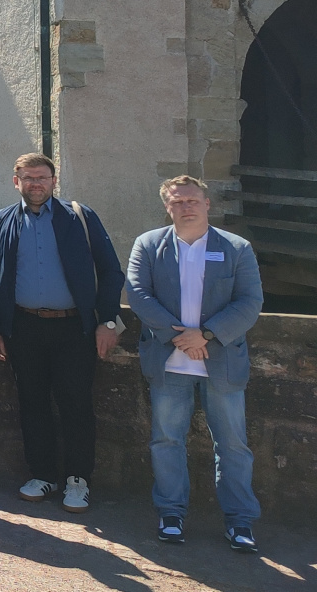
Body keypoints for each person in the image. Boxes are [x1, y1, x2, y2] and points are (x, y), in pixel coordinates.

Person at [0, 152, 124, 514]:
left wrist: (107, 321)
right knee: (32, 402)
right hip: (23, 326)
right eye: (28, 178)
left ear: (53, 180)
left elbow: (109, 270)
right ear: (16, 182)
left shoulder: (79, 217)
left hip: (74, 326)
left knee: (76, 402)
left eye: (42, 177)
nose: (35, 184)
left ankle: (78, 479)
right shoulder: (0, 221)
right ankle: (42, 474)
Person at [126, 176, 263, 552]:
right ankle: (171, 513)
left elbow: (250, 301)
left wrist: (205, 335)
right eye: (177, 201)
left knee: (233, 445)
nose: (186, 207)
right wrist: (179, 338)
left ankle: (240, 521)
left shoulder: (236, 248)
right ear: (167, 207)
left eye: (192, 200)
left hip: (221, 362)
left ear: (206, 204)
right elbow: (138, 294)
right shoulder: (149, 245)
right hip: (169, 362)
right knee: (166, 440)